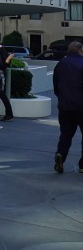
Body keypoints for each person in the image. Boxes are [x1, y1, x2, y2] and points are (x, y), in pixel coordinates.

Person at [53, 41, 83, 173]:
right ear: (80, 51)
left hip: (65, 106)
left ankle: (60, 154)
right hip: (81, 106)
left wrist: (62, 98)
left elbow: (56, 85)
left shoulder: (60, 64)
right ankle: (82, 165)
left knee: (65, 134)